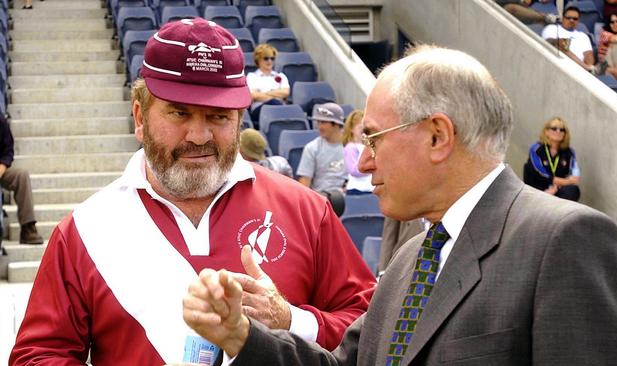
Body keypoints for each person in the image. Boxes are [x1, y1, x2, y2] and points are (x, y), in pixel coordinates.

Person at [182, 45, 617, 365]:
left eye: (374, 139)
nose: (363, 161)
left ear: (437, 136)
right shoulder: (412, 259)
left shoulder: (566, 241)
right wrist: (243, 335)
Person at [9, 18, 376, 366]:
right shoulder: (85, 230)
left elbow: (374, 332)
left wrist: (289, 320)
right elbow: (37, 355)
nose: (199, 136)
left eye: (218, 116)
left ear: (238, 119)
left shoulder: (307, 212)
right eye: (179, 113)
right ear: (140, 117)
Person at [0, 116, 44, 245]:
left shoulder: (1, 121)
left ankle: (28, 228)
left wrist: (1, 168)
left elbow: (7, 151)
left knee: (21, 176)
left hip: (1, 169)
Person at [523, 117, 581, 201]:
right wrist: (565, 181)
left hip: (557, 189)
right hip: (539, 187)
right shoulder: (536, 149)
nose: (558, 132)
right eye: (554, 128)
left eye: (562, 130)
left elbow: (575, 177)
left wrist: (556, 187)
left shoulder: (570, 152)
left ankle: (558, 209)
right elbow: (540, 173)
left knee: (573, 190)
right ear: (546, 132)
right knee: (528, 167)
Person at [297, 103, 347, 194]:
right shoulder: (312, 148)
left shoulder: (351, 146)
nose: (319, 127)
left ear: (336, 124)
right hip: (322, 198)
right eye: (318, 122)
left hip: (348, 197)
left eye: (323, 122)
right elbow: (305, 182)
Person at [542, 6, 598, 73]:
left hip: (580, 72)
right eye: (568, 18)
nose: (571, 20)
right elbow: (554, 44)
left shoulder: (583, 35)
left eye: (575, 19)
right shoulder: (551, 28)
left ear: (578, 21)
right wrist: (585, 66)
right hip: (557, 66)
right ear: (562, 18)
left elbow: (588, 54)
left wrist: (589, 66)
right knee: (560, 43)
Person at [246, 43, 290, 124]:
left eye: (272, 58)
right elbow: (253, 95)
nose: (269, 61)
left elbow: (285, 92)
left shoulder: (281, 75)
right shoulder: (252, 76)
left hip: (278, 107)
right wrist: (276, 95)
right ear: (258, 59)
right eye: (266, 58)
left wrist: (265, 93)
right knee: (275, 102)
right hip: (259, 109)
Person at [342, 110, 373, 195]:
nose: (363, 131)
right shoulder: (351, 147)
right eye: (360, 128)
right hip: (356, 190)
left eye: (365, 129)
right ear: (351, 129)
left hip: (370, 189)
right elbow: (353, 170)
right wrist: (371, 168)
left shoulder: (368, 146)